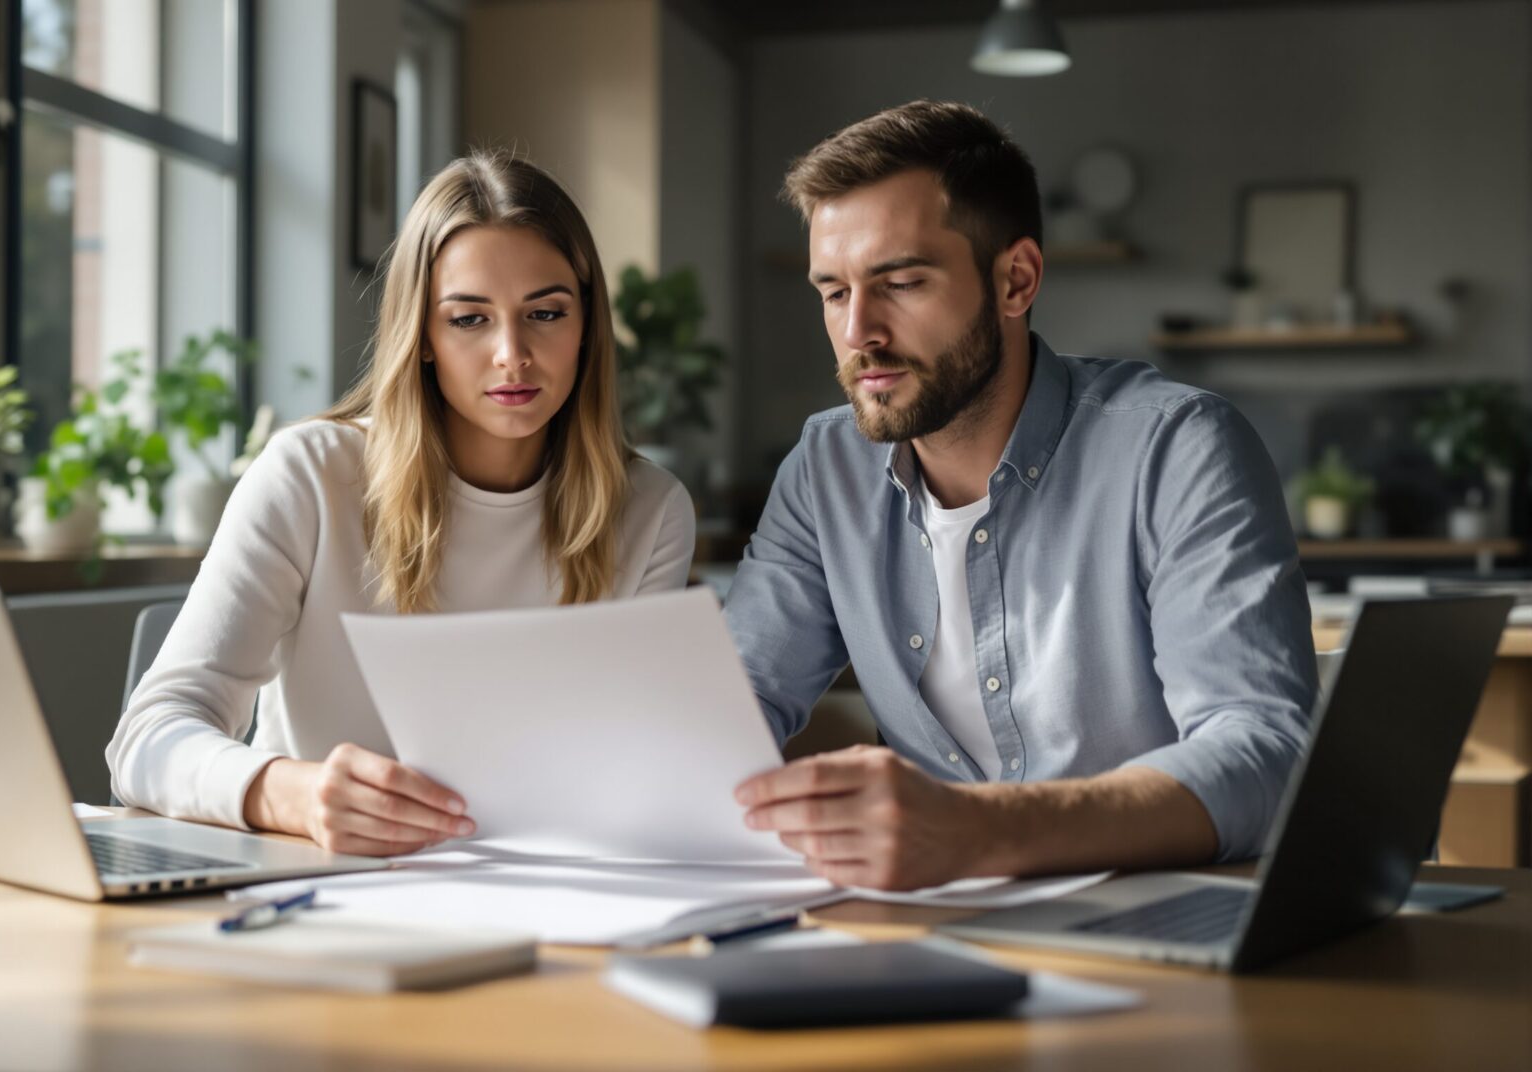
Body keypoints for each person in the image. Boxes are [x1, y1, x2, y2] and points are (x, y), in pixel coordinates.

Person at [725, 100, 1317, 891]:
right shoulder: (824, 468)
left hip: (1168, 918)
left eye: (900, 282)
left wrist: (979, 831)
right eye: (834, 292)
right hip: (945, 928)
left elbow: (1266, 751)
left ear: (1016, 279)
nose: (858, 330)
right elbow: (738, 701)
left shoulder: (1176, 447)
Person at [109, 151, 696, 856]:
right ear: (421, 335)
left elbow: (633, 768)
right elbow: (146, 740)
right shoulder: (310, 476)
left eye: (545, 313)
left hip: (538, 891)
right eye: (469, 319)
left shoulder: (651, 511)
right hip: (313, 891)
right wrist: (292, 794)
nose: (513, 354)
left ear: (586, 327)